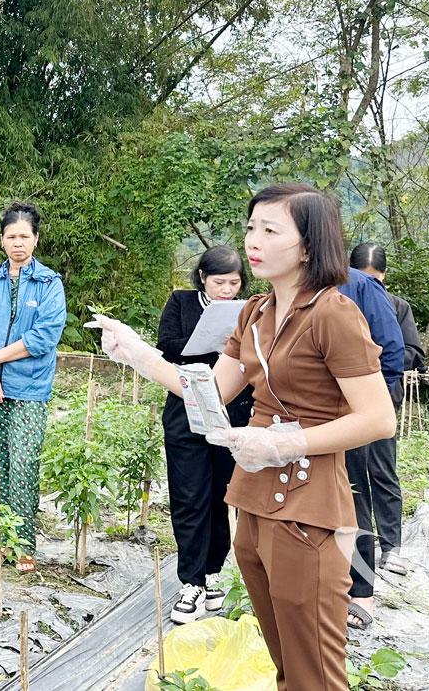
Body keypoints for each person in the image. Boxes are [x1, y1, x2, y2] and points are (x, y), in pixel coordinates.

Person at [89, 183, 396, 689]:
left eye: (270, 229)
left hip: (307, 510)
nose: (253, 238)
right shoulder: (255, 312)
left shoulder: (334, 314)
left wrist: (284, 442)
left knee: (313, 674)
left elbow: (378, 419)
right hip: (252, 506)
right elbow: (211, 391)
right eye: (252, 225)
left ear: (308, 246)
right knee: (283, 666)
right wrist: (139, 352)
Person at [0, 202, 66, 574]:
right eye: (11, 236)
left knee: (22, 464)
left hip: (29, 388)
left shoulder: (49, 283)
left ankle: (23, 544)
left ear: (35, 239)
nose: (17, 243)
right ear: (2, 240)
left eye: (24, 236)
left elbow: (44, 336)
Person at [155, 245, 254, 624]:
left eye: (233, 283)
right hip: (186, 409)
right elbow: (167, 345)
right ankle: (189, 581)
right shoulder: (181, 303)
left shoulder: (250, 309)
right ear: (202, 278)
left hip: (232, 413)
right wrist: (211, 346)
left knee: (220, 497)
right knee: (188, 495)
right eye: (219, 283)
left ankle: (213, 574)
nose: (226, 290)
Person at [350, 241, 425, 580]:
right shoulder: (339, 302)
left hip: (383, 399)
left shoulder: (397, 306)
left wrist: (374, 359)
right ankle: (359, 552)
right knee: (351, 478)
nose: (369, 286)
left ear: (383, 277)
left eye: (375, 280)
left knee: (383, 468)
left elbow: (413, 352)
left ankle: (391, 546)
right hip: (345, 402)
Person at [336, 262, 404, 630]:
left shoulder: (360, 286)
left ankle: (361, 590)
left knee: (353, 497)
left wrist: (373, 404)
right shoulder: (279, 289)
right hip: (298, 420)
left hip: (348, 416)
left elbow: (392, 353)